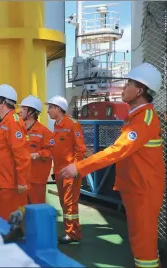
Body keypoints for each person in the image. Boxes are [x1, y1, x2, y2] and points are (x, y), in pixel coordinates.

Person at [60, 63, 165, 267]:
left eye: (129, 84)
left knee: (144, 247)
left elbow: (117, 151)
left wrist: (79, 167)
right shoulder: (136, 117)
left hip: (143, 190)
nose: (124, 88)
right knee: (141, 242)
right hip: (136, 188)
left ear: (140, 90)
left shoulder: (144, 119)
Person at [45, 95, 86, 244]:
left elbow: (80, 149)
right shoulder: (57, 125)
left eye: (50, 107)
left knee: (69, 203)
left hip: (70, 171)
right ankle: (71, 230)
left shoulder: (72, 125)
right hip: (59, 171)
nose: (48, 111)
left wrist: (75, 168)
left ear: (58, 108)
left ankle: (73, 233)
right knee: (63, 202)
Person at [0, 84, 30, 220]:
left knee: (9, 220)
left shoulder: (13, 122)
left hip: (10, 184)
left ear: (2, 102)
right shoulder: (5, 122)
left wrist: (22, 181)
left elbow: (22, 154)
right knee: (4, 217)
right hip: (4, 182)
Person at [19, 95, 53, 204]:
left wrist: (37, 155)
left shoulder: (44, 132)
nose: (20, 111)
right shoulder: (19, 130)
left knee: (37, 208)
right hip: (22, 178)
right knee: (22, 209)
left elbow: (51, 151)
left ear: (31, 112)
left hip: (37, 179)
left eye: (23, 109)